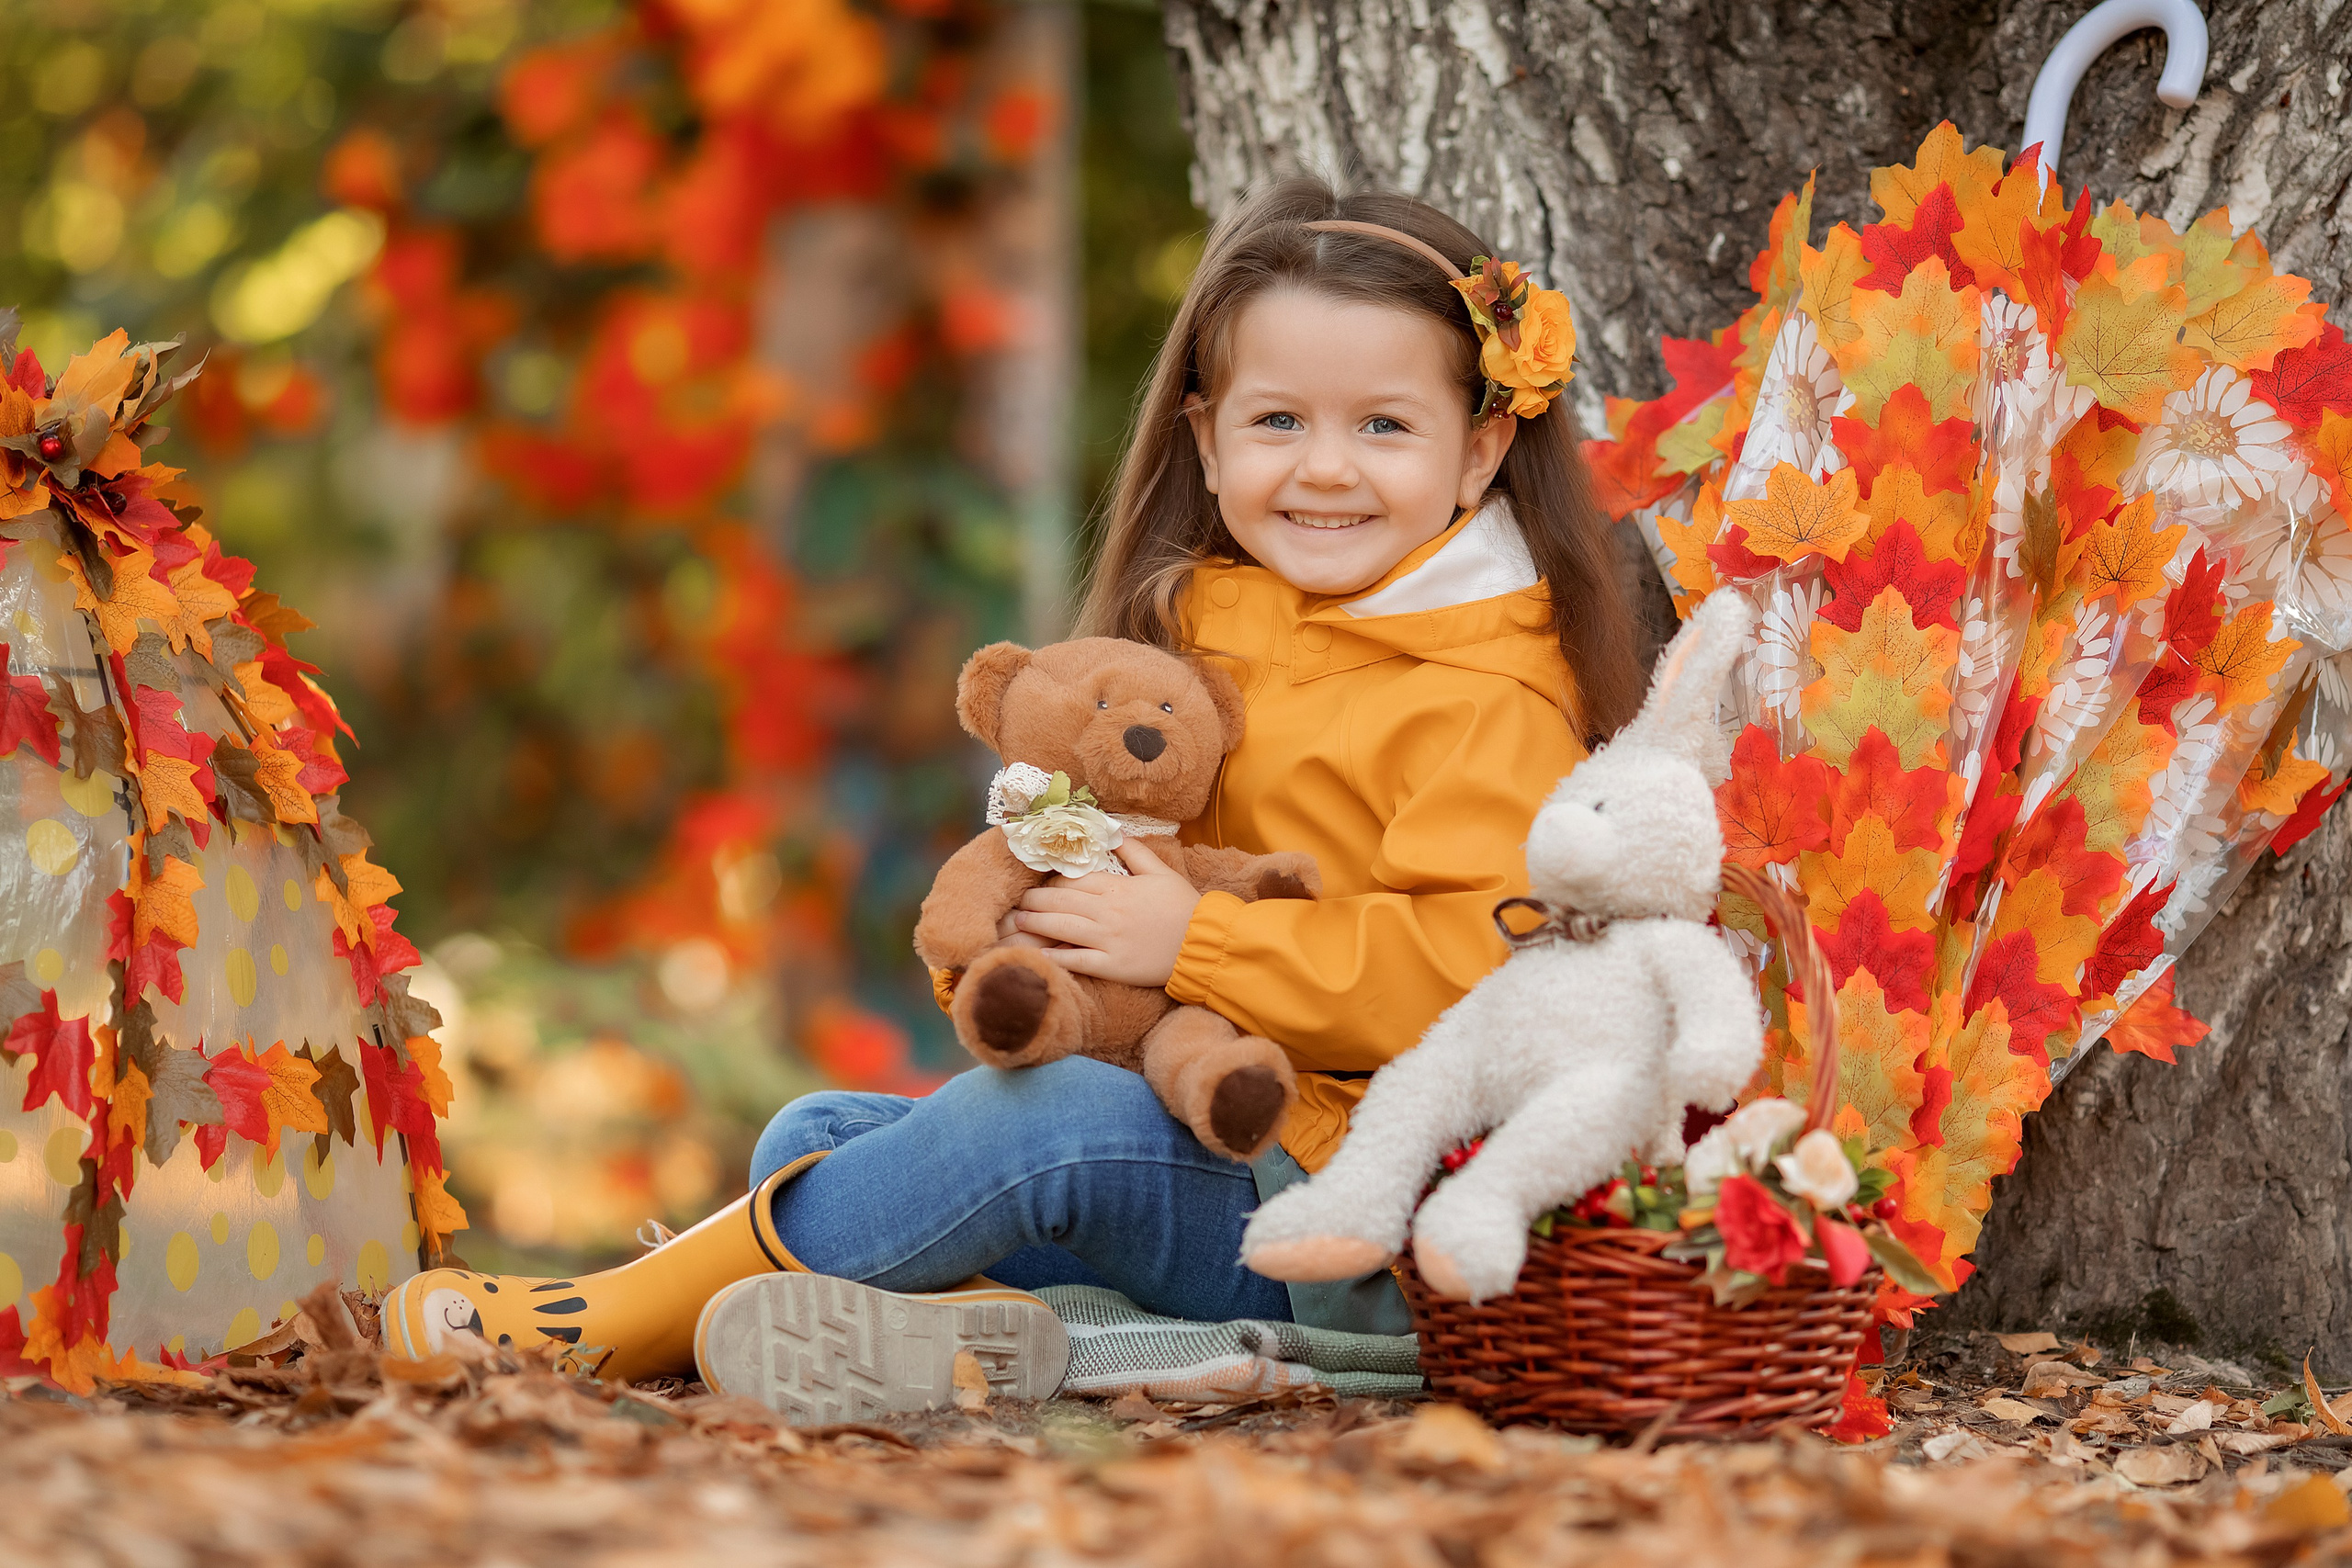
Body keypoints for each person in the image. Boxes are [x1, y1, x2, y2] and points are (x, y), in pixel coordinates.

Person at [381, 175, 1646, 1415]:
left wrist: (1192, 940)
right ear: (1204, 441)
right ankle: (996, 1341)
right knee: (818, 1134)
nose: (1325, 469)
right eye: (1277, 424)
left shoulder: (1491, 693)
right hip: (1196, 1132)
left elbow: (1478, 975)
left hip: (1348, 1207)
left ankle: (604, 1320)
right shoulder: (1204, 636)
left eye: (1383, 426)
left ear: (1481, 450)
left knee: (1028, 1127)